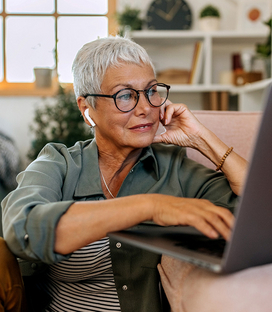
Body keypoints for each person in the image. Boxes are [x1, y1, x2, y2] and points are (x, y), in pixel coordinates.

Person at [1, 36, 247, 312]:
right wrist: (149, 206)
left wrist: (204, 140)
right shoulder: (59, 164)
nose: (145, 108)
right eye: (125, 95)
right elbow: (23, 230)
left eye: (152, 91)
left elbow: (262, 213)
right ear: (87, 109)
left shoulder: (174, 168)